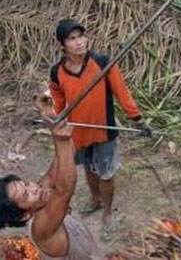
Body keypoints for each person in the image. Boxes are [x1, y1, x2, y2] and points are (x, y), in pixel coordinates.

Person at [49, 19, 152, 241]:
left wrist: (137, 119)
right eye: (72, 39)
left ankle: (107, 212)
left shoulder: (103, 62)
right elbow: (57, 97)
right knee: (89, 169)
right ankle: (94, 200)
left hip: (104, 130)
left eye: (81, 36)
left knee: (106, 174)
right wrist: (58, 117)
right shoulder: (57, 72)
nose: (79, 42)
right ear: (63, 46)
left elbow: (121, 92)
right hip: (78, 131)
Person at [0, 94, 102, 259]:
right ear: (24, 215)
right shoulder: (41, 229)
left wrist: (51, 117)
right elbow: (64, 189)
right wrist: (61, 140)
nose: (33, 188)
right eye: (25, 194)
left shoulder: (38, 196)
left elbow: (61, 160)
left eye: (25, 184)